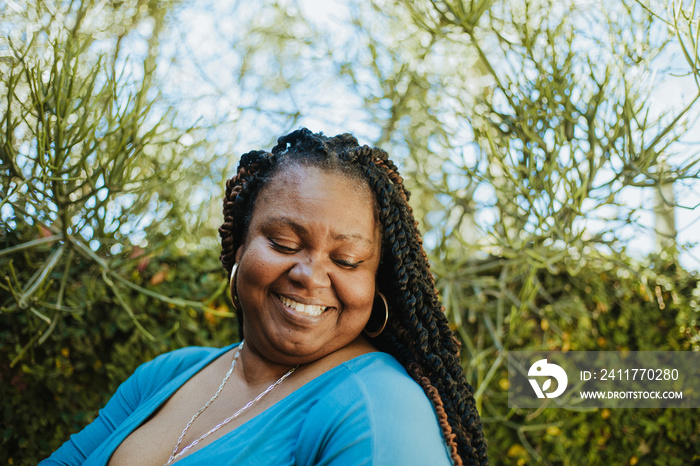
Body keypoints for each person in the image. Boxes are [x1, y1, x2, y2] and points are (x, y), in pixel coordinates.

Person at [40, 128, 488, 465]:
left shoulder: (376, 404)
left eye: (348, 259)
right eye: (284, 244)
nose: (310, 275)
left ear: (377, 285)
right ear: (239, 251)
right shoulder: (167, 374)